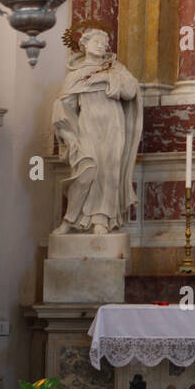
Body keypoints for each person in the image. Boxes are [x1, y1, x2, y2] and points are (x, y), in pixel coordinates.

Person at [52, 24, 143, 235]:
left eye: (104, 43)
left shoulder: (115, 69)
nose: (102, 46)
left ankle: (102, 219)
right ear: (84, 45)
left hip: (113, 126)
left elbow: (130, 91)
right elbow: (63, 107)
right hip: (88, 127)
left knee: (109, 172)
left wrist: (106, 77)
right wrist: (68, 135)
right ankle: (70, 219)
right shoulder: (75, 75)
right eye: (96, 42)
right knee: (86, 171)